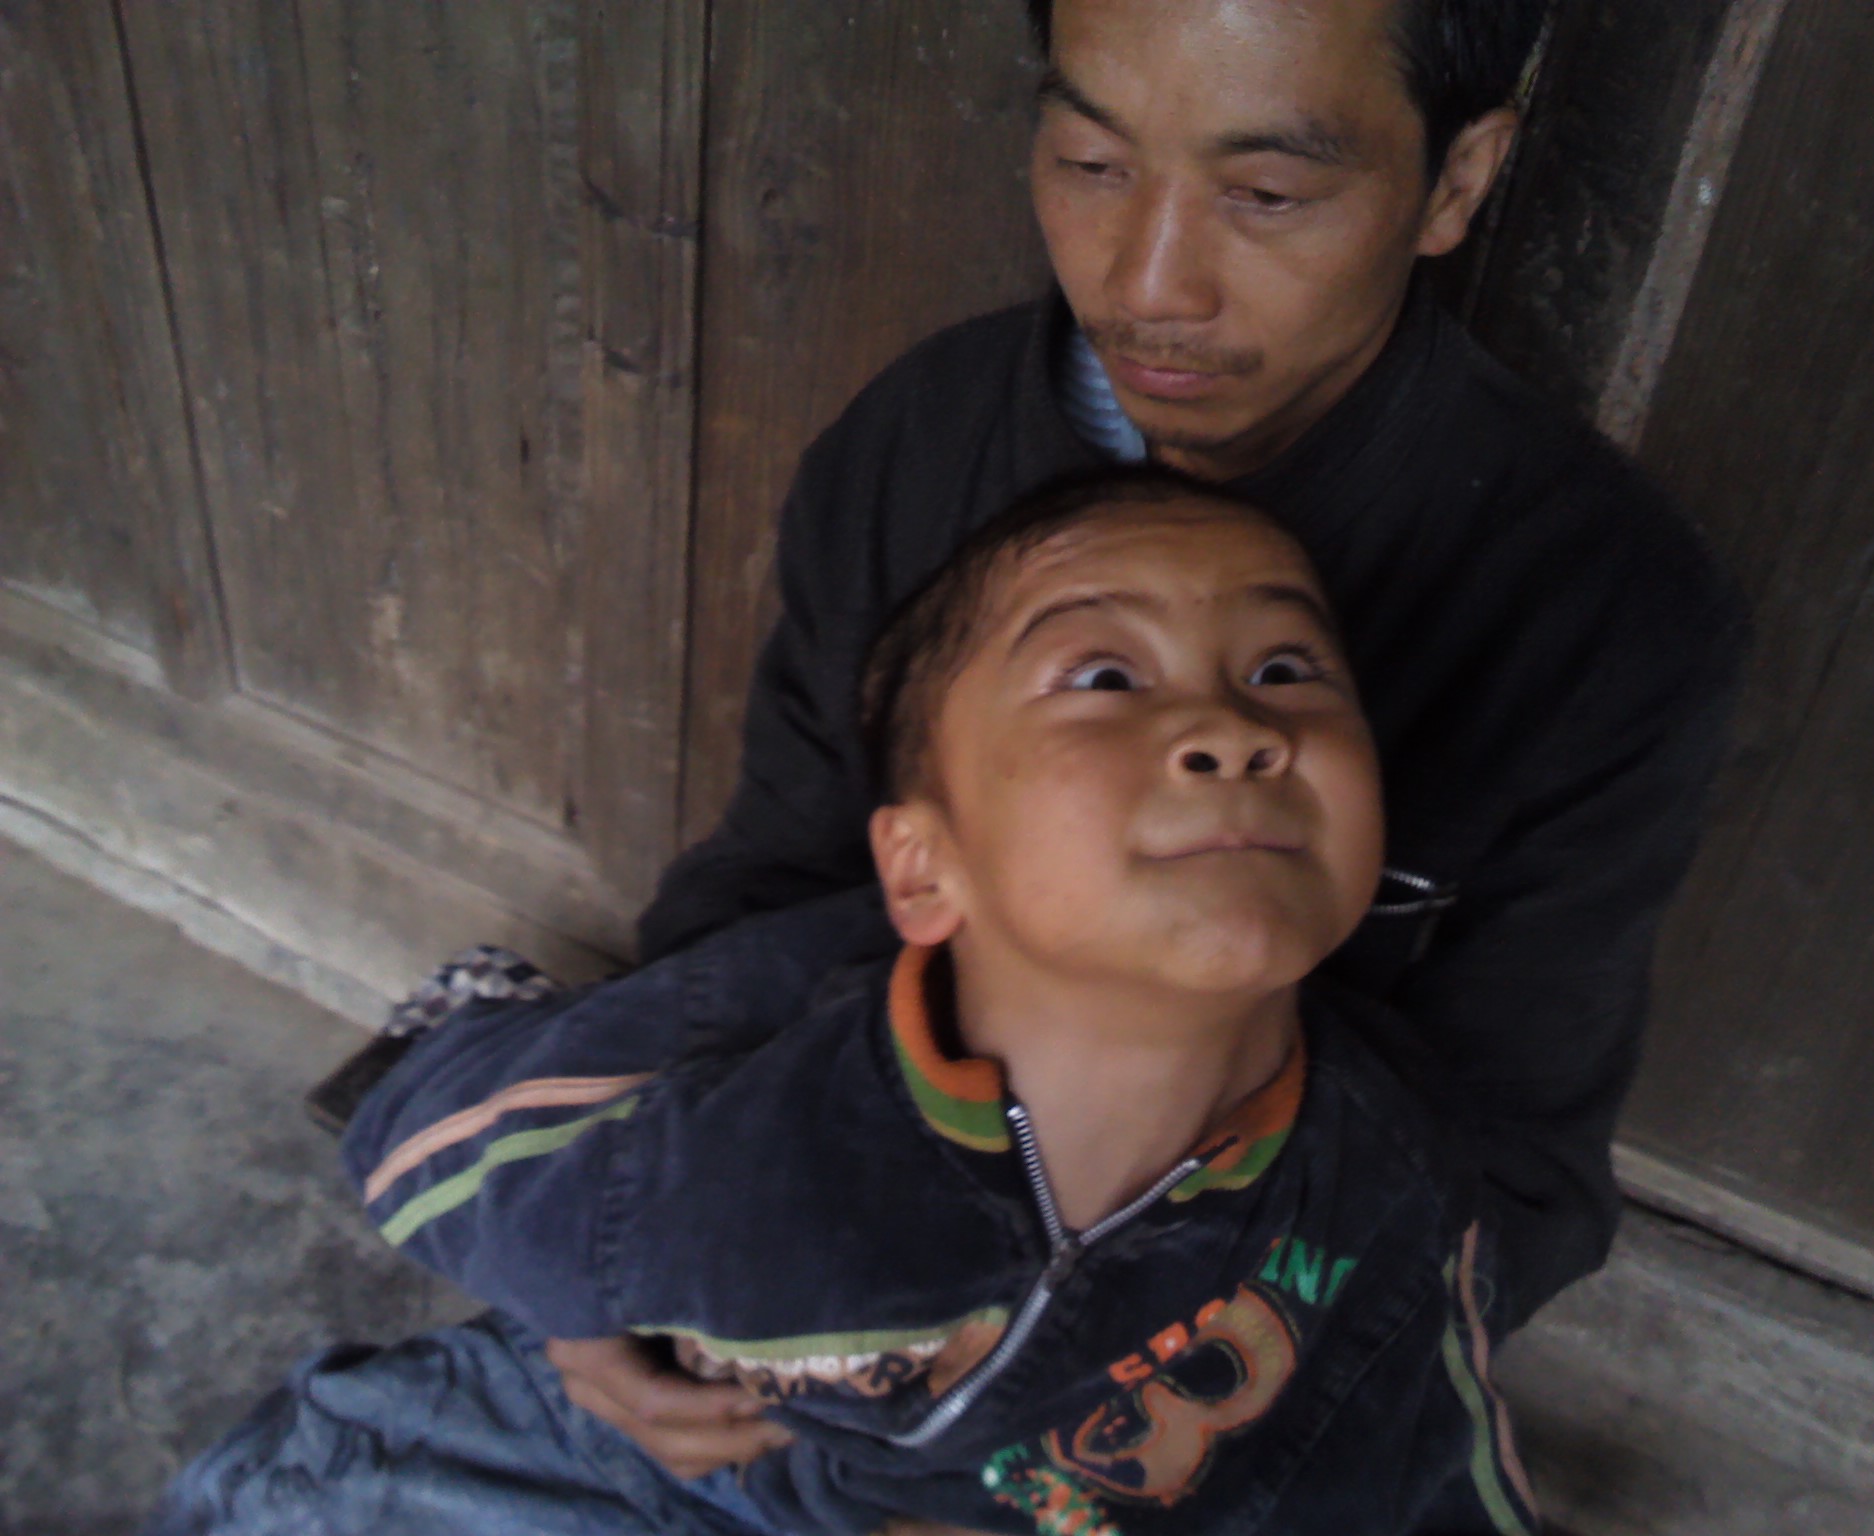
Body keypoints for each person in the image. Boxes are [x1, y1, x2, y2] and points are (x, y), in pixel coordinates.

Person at [568, 0, 1744, 1477]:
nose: (1148, 284)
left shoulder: (1601, 608)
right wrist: (608, 1235)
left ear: (1455, 181)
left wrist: (1126, 1452)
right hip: (812, 1289)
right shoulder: (919, 444)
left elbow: (1513, 1165)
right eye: (1091, 163)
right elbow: (770, 882)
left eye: (1267, 193)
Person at [149, 472, 1540, 1536]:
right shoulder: (761, 1080)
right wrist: (574, 1314)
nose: (1236, 730)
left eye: (1287, 670)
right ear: (923, 870)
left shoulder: (1389, 1176)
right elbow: (436, 1143)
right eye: (1105, 676)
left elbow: (1439, 1475)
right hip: (683, 1461)